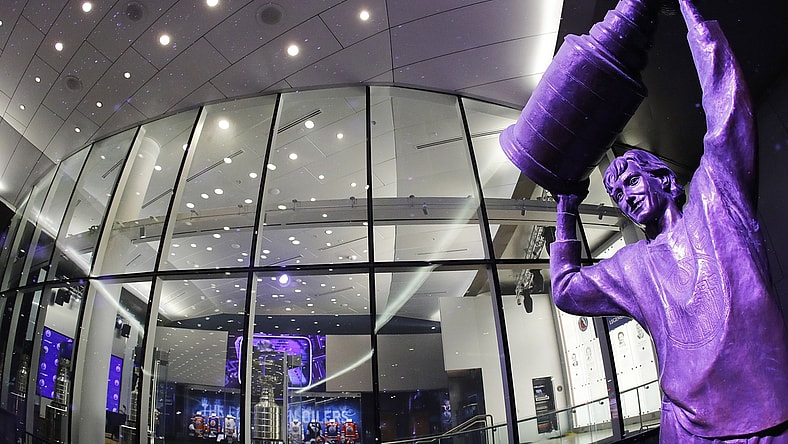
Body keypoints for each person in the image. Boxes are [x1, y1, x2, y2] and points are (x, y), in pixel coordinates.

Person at [550, 0, 788, 441]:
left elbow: (727, 109)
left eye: (631, 183)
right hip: (689, 426)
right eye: (617, 195)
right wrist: (566, 207)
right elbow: (566, 288)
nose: (625, 198)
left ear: (662, 178)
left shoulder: (715, 199)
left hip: (768, 414)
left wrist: (691, 15)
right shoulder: (633, 266)